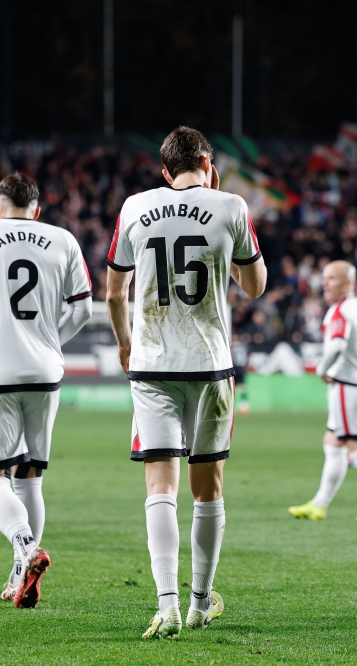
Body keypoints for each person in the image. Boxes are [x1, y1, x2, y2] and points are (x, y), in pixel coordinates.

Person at [106, 126, 267, 639]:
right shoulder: (231, 206)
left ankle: (167, 605)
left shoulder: (135, 206)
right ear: (207, 162)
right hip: (209, 365)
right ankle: (200, 602)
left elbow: (115, 292)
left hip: (152, 363)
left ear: (165, 170)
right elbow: (255, 286)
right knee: (208, 489)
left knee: (160, 487)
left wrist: (126, 343)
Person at [0, 173, 93, 609]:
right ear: (37, 210)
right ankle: (18, 573)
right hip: (44, 372)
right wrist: (50, 343)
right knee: (30, 475)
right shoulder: (63, 239)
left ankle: (26, 548)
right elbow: (83, 309)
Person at [288, 262, 357, 522]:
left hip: (348, 385)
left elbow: (337, 345)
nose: (324, 283)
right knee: (333, 442)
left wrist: (321, 370)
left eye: (332, 278)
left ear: (348, 283)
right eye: (324, 278)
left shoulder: (341, 310)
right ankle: (319, 504)